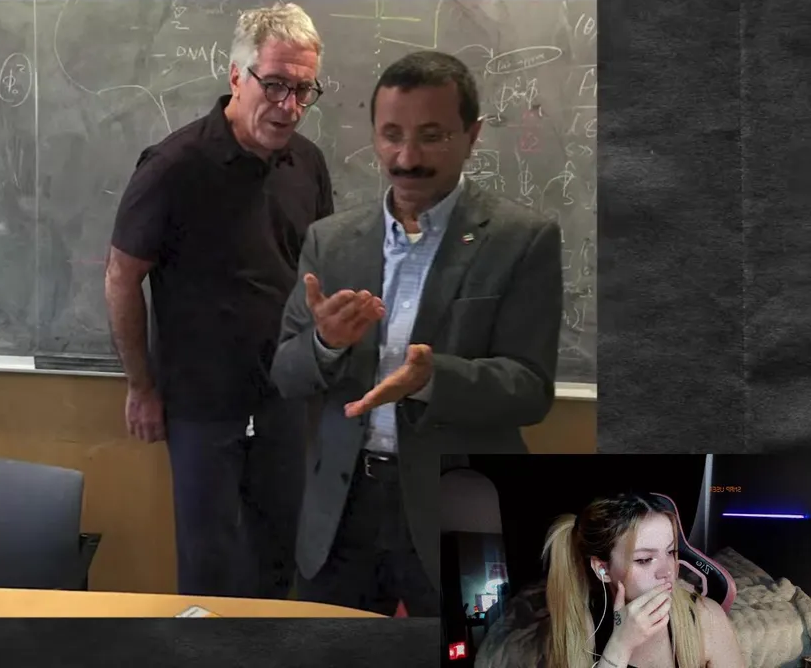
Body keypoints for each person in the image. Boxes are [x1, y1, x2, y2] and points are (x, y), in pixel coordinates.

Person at [270, 50, 565, 616]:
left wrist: (433, 379)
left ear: (472, 135)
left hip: (455, 505)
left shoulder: (522, 240)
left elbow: (531, 389)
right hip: (342, 511)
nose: (407, 158)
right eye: (392, 136)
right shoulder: (331, 240)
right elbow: (285, 373)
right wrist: (325, 344)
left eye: (432, 136)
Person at [104, 2, 333, 599]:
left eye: (303, 90)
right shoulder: (173, 167)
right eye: (275, 85)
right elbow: (122, 277)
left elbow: (316, 271)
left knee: (280, 559)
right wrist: (141, 387)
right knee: (208, 567)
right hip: (200, 404)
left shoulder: (308, 164)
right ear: (236, 75)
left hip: (284, 398)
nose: (289, 106)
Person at [542, 493, 745, 667]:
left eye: (670, 552)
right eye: (644, 559)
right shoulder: (582, 628)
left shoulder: (706, 619)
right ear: (603, 569)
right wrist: (619, 646)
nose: (668, 571)